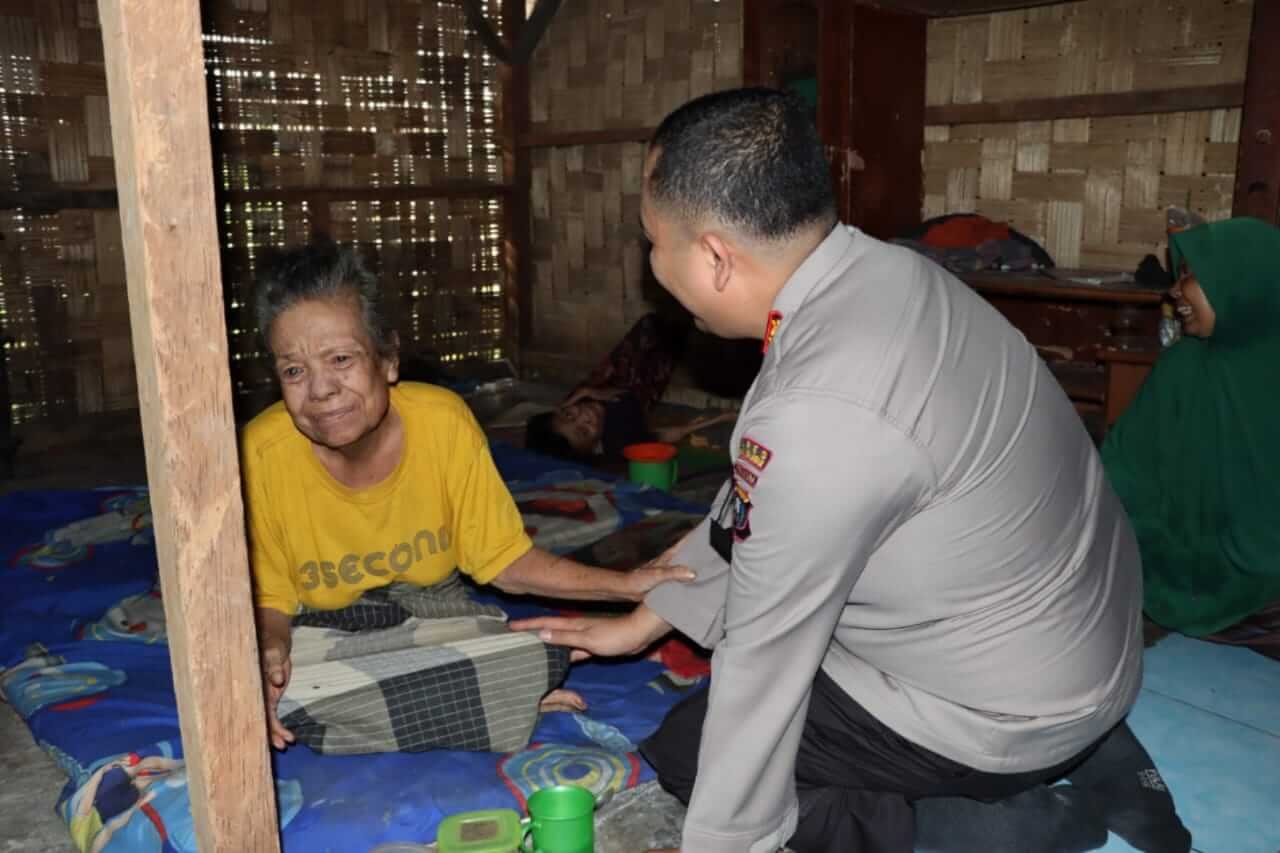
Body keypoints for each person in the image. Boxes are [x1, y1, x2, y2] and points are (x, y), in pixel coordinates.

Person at [515, 88, 1190, 853]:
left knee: (694, 751)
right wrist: (644, 620)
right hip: (1078, 639)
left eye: (652, 242)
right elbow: (759, 508)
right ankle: (1077, 744)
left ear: (714, 257)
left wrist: (727, 837)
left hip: (1010, 707)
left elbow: (766, 658)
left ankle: (964, 825)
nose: (650, 263)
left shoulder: (820, 408)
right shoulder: (886, 276)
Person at [241, 239, 693, 753]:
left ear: (388, 360)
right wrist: (269, 652)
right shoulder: (260, 452)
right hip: (326, 629)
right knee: (280, 686)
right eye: (294, 371)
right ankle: (487, 703)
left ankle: (476, 695)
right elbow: (271, 602)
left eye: (341, 359)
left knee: (527, 649)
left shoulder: (443, 421)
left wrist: (626, 587)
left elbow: (503, 560)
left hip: (434, 614)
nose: (320, 390)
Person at [1102, 217, 1280, 658]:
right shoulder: (1182, 366)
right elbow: (1124, 470)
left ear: (1244, 282)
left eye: (1190, 277)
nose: (1174, 293)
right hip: (1178, 566)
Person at [525, 312, 735, 464]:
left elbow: (585, 397)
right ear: (594, 448)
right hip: (642, 391)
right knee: (676, 339)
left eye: (569, 415)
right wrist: (720, 418)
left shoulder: (580, 399)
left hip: (613, 381)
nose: (584, 417)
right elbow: (667, 434)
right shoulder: (622, 441)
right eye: (584, 431)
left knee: (649, 324)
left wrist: (589, 392)